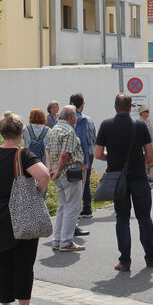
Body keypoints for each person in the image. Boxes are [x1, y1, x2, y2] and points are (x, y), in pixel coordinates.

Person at [0, 111, 51, 305]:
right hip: (22, 213)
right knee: (24, 263)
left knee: (3, 262)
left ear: (2, 132)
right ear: (21, 133)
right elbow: (44, 174)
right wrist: (40, 190)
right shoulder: (22, 154)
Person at [95, 93, 153, 271]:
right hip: (139, 177)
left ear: (115, 106)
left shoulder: (106, 125)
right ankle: (151, 257)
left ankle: (124, 261)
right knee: (144, 218)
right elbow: (150, 153)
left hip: (118, 180)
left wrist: (111, 158)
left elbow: (97, 154)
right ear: (130, 107)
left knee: (122, 218)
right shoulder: (140, 125)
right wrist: (138, 160)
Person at [47, 105, 87, 252]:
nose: (76, 118)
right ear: (70, 117)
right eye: (75, 115)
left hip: (58, 174)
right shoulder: (69, 131)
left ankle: (57, 240)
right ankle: (66, 241)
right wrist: (58, 171)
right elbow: (65, 154)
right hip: (69, 173)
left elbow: (47, 151)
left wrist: (51, 169)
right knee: (73, 207)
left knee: (62, 207)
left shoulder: (53, 130)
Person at [69, 93, 95, 221]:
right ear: (81, 104)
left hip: (79, 156)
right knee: (86, 182)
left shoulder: (73, 120)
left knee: (77, 183)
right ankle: (87, 208)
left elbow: (80, 140)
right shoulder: (88, 119)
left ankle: (80, 210)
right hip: (90, 153)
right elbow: (93, 138)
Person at [138, 106, 153, 178]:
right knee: (144, 159)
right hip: (143, 144)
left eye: (148, 111)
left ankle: (148, 175)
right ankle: (145, 176)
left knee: (151, 158)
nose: (148, 113)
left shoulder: (148, 121)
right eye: (146, 111)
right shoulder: (139, 122)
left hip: (149, 142)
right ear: (142, 113)